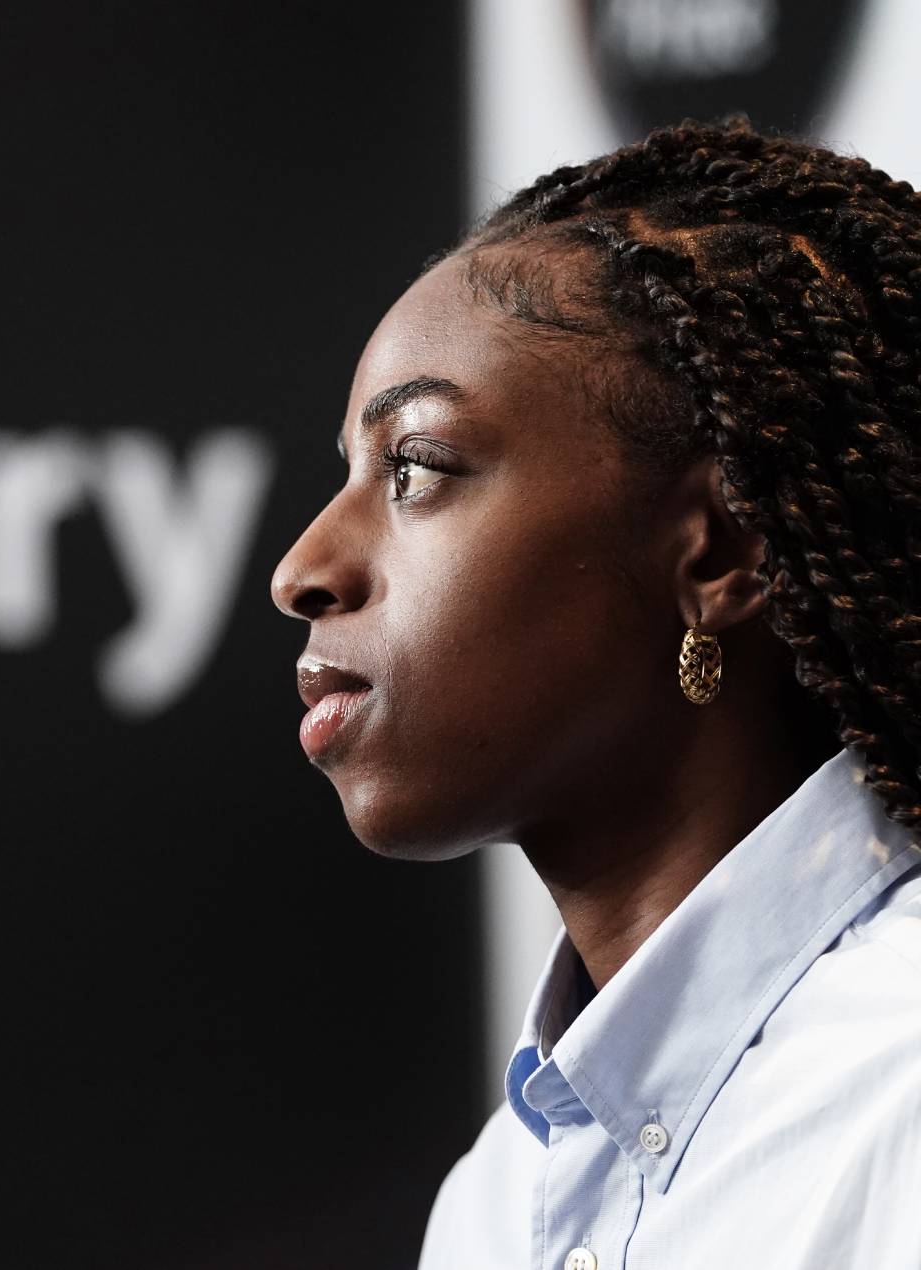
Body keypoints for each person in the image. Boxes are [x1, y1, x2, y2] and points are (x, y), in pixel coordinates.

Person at [268, 118, 921, 1269]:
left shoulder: (900, 1093)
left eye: (412, 468)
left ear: (717, 556)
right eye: (348, 474)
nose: (302, 570)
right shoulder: (492, 1200)